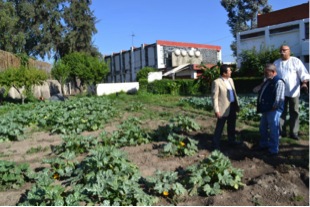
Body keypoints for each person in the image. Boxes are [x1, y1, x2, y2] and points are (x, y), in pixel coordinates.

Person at [273, 45, 310, 140]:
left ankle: (294, 132)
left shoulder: (295, 61)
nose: (282, 52)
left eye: (284, 50)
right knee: (281, 112)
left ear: (289, 51)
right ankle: (281, 132)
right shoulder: (276, 63)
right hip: (280, 92)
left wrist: (304, 83)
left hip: (293, 91)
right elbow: (272, 76)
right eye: (281, 50)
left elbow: (303, 73)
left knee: (294, 111)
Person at [257, 64, 285, 156]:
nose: (265, 74)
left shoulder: (279, 81)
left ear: (273, 72)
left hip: (273, 110)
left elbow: (279, 98)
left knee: (273, 130)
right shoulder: (268, 80)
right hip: (266, 109)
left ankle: (273, 150)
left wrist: (274, 107)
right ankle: (264, 144)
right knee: (263, 128)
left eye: (266, 72)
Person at [211, 64, 240, 151]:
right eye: (229, 71)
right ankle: (215, 144)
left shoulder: (231, 80)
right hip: (222, 109)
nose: (231, 72)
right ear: (224, 73)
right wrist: (216, 110)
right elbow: (214, 97)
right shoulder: (216, 82)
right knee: (220, 127)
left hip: (232, 106)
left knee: (232, 126)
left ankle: (231, 141)